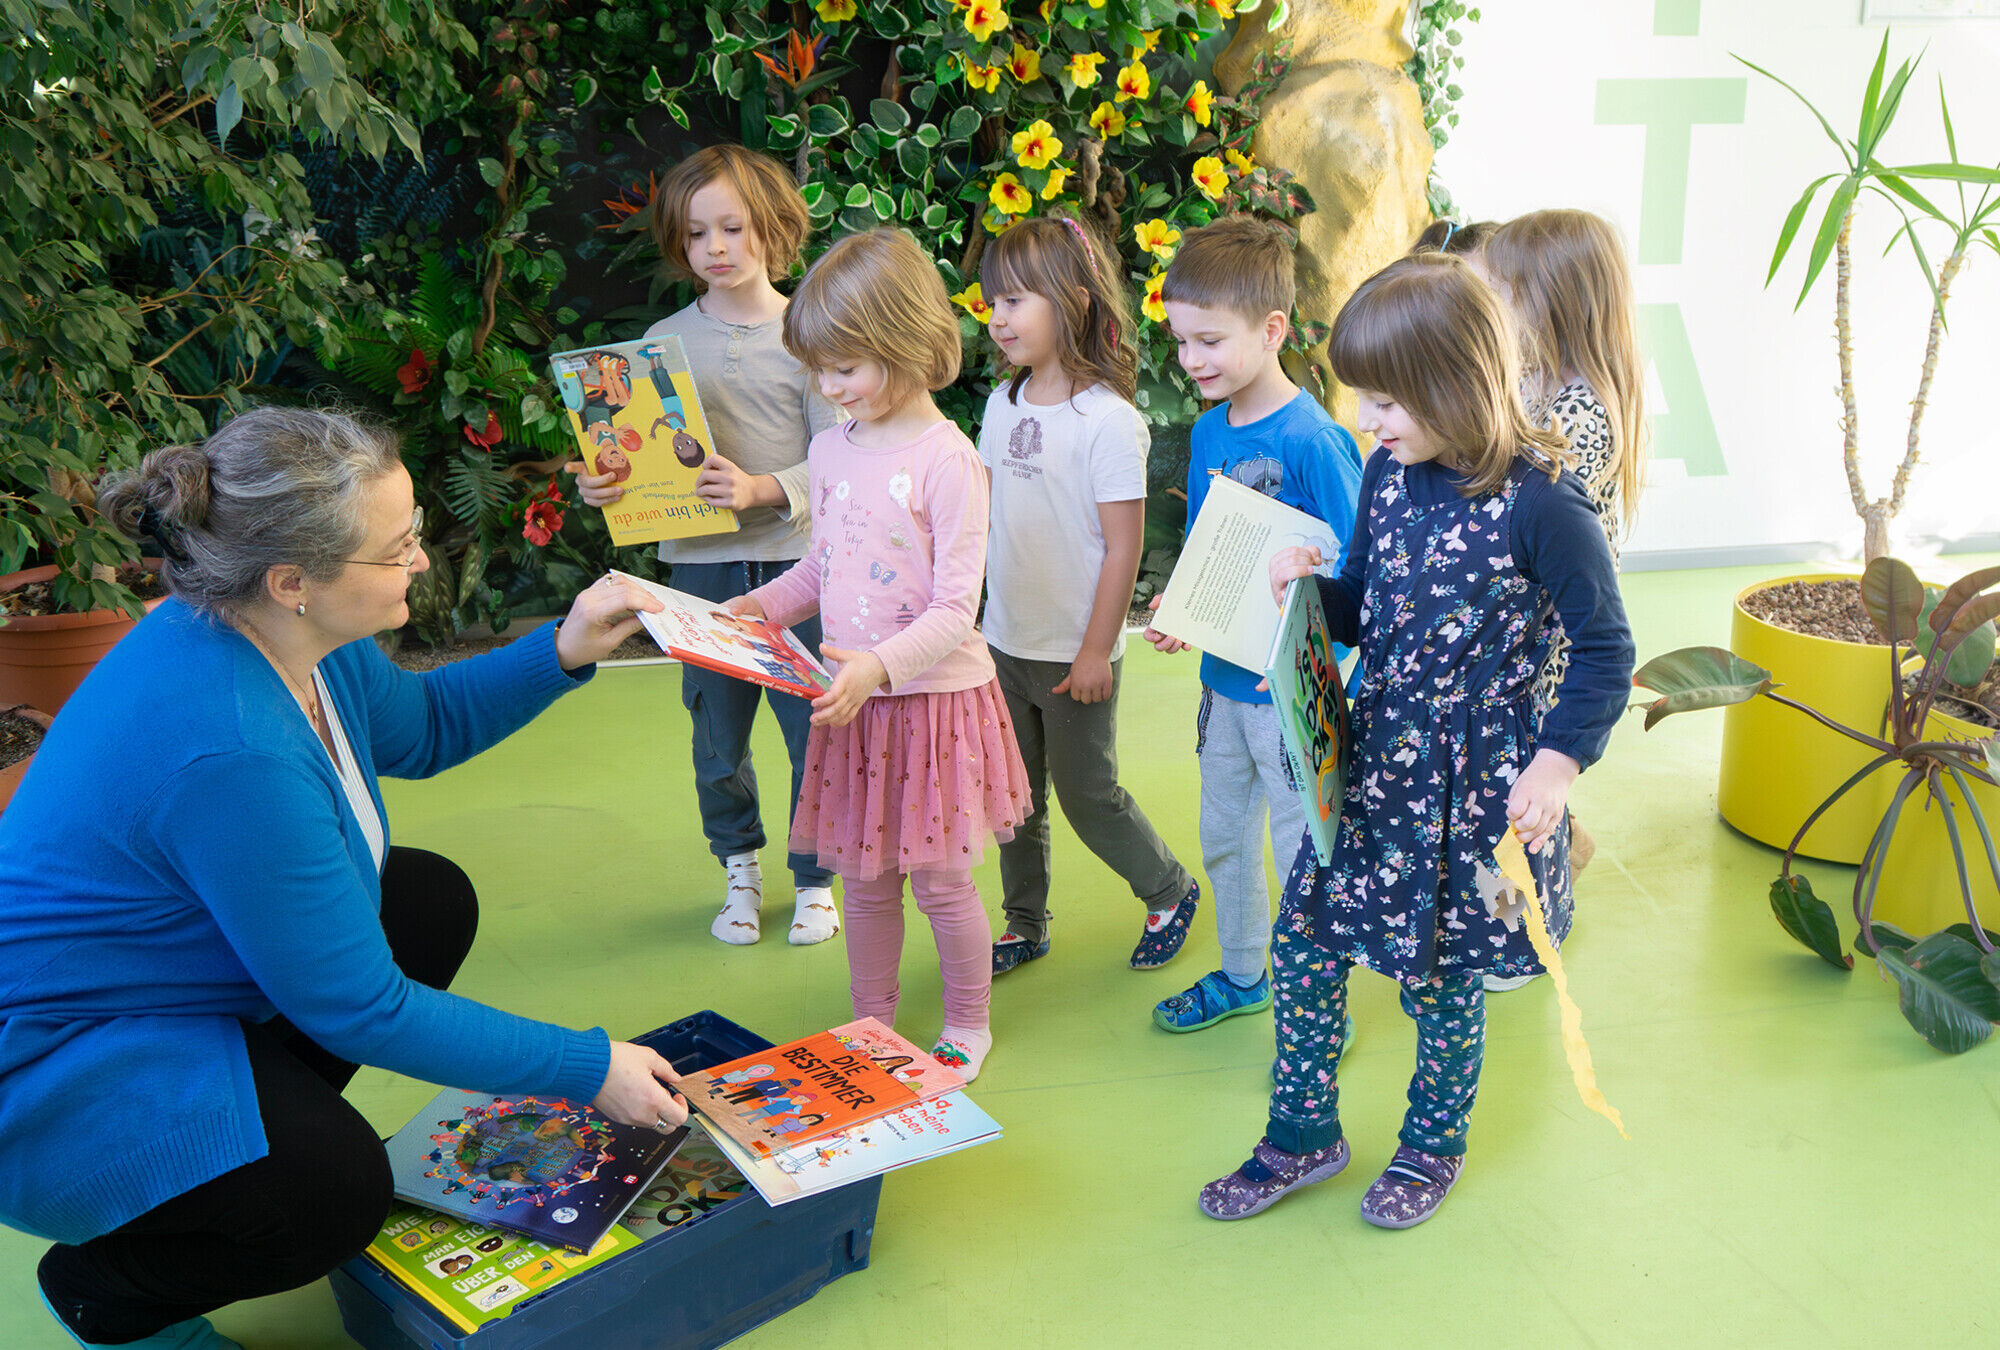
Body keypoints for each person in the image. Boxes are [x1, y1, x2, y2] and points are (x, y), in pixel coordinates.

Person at [0, 407, 686, 1350]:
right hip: (54, 1075)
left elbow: (425, 726)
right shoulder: (233, 747)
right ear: (294, 580)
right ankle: (108, 1294)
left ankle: (264, 1138)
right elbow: (361, 1010)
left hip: (171, 996)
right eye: (397, 547)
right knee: (334, 1196)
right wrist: (590, 1067)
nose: (421, 562)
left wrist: (566, 643)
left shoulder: (290, 634)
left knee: (423, 900)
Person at [1198, 255, 1634, 1229]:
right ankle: (1300, 1135)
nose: (1367, 422)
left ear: (1454, 384)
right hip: (1369, 760)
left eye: (1386, 400)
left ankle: (1429, 1145)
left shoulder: (1543, 507)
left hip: (1469, 793)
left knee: (1438, 983)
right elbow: (1368, 605)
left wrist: (1556, 762)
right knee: (1305, 949)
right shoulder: (1390, 476)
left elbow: (1606, 647)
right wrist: (1309, 593)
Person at [730, 228, 1031, 1083]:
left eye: (846, 368)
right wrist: (754, 609)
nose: (829, 388)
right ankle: (872, 1024)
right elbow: (823, 568)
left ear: (905, 344)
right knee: (862, 883)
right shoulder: (829, 449)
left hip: (931, 705)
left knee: (938, 881)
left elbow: (954, 608)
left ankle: (967, 1023)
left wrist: (875, 668)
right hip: (854, 705)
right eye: (819, 369)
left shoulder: (948, 461)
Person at [569, 144, 842, 949]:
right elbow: (630, 459)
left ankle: (816, 880)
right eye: (696, 234)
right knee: (717, 739)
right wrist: (606, 486)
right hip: (699, 572)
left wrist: (764, 489)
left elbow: (835, 455)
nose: (715, 247)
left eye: (732, 227)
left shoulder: (810, 335)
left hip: (801, 568)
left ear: (774, 227)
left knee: (814, 734)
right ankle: (740, 872)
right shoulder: (657, 344)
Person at [1141, 216, 1365, 1033]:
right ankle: (1244, 975)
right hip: (1223, 687)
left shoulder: (1316, 439)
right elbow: (1214, 554)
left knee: (1303, 853)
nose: (1191, 361)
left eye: (1209, 341)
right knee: (1223, 837)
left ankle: (1317, 1008)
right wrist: (1183, 616)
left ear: (1272, 330)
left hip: (1292, 696)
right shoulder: (1206, 431)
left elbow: (1358, 569)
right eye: (1181, 342)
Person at [975, 212, 1199, 977]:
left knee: (1086, 795)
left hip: (1075, 653)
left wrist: (1098, 648)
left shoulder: (1108, 421)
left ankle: (1169, 889)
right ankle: (1024, 923)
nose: (998, 317)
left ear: (1073, 301)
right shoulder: (1000, 405)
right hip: (1004, 640)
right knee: (1013, 800)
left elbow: (1124, 546)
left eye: (1016, 300)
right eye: (992, 301)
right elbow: (986, 514)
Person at [1478, 208, 1648, 977]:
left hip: (1548, 642)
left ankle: (1515, 932)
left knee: (1517, 798)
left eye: (1501, 293)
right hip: (1534, 623)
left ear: (1548, 302)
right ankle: (1559, 857)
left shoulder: (1580, 412)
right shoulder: (1545, 381)